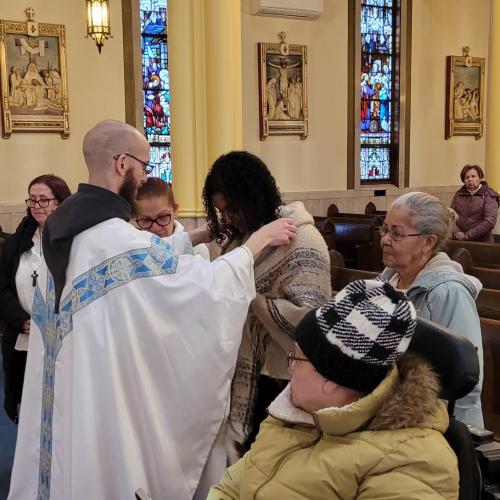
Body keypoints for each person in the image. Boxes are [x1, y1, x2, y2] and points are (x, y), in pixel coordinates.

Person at [7, 120, 297, 500]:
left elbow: (142, 262)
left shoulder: (68, 228)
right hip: (100, 396)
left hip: (68, 389)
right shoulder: (112, 236)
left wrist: (194, 236)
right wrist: (256, 244)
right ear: (122, 163)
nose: (145, 177)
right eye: (143, 166)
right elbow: (199, 288)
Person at [209, 279, 459, 499]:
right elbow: (231, 487)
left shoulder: (413, 462)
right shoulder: (294, 414)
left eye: (296, 359)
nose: (290, 370)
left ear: (330, 378)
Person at [202, 151, 331, 462]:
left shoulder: (303, 241)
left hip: (281, 376)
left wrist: (248, 296)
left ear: (254, 197)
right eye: (222, 211)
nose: (228, 218)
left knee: (271, 462)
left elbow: (310, 319)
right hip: (244, 369)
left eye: (232, 209)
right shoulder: (242, 241)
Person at [378, 191, 484, 427]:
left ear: (428, 242)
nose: (385, 239)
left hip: (434, 425)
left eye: (396, 233)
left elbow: (467, 381)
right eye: (384, 230)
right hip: (387, 413)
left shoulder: (449, 293)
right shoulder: (384, 283)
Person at [0, 174, 70, 424]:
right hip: (23, 338)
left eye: (44, 200)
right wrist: (21, 321)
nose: (37, 206)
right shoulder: (16, 243)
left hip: (62, 339)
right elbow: (2, 289)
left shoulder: (73, 241)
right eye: (32, 200)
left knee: (61, 409)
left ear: (60, 203)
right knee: (27, 409)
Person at [133, 177, 210, 259]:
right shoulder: (132, 250)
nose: (155, 228)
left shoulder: (196, 250)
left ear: (175, 210)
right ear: (135, 218)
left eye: (162, 217)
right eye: (146, 220)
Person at [451, 164, 499, 243]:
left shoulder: (489, 194)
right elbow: (451, 217)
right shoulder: (459, 194)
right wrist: (456, 233)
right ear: (463, 180)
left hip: (481, 242)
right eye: (467, 177)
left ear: (480, 178)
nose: (470, 180)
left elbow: (490, 221)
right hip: (459, 240)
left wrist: (467, 236)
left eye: (473, 176)